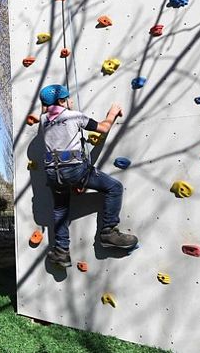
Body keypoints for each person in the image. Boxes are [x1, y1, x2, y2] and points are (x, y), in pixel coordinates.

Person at [38, 84, 138, 268]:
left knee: (61, 209)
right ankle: (108, 233)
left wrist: (57, 103)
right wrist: (112, 113)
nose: (70, 101)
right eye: (67, 98)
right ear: (62, 101)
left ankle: (61, 251)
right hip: (75, 170)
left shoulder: (43, 120)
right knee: (114, 188)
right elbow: (102, 128)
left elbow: (49, 110)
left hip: (53, 174)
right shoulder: (74, 116)